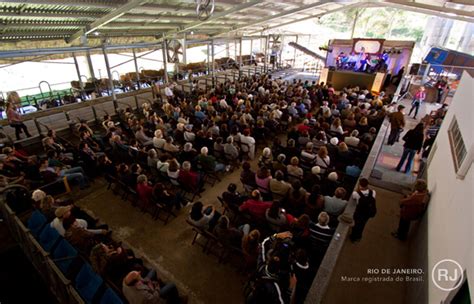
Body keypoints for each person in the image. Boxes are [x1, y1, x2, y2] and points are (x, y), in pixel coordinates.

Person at [349, 178, 377, 243]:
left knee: (356, 225)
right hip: (368, 213)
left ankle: (354, 237)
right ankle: (359, 236)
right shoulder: (373, 192)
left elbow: (354, 197)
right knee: (363, 224)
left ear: (359, 185)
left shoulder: (356, 193)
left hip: (359, 212)